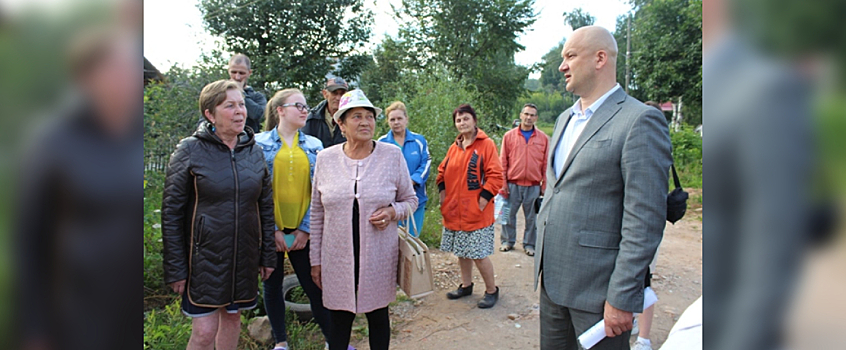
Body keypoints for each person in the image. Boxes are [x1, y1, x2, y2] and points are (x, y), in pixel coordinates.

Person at [533, 26, 672, 350]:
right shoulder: (566, 118)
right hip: (553, 281)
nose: (561, 66)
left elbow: (645, 219)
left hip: (599, 293)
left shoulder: (639, 120)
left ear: (599, 58)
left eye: (569, 56)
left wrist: (623, 296)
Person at [162, 80, 277, 350]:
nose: (240, 111)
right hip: (204, 259)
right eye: (230, 106)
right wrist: (176, 267)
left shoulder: (254, 152)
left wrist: (267, 255)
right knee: (204, 332)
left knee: (233, 321)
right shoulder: (190, 150)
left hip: (243, 257)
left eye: (241, 105)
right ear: (210, 114)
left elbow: (265, 208)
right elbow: (171, 212)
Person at [309, 89, 418, 350]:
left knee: (378, 316)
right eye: (356, 116)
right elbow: (316, 212)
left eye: (369, 116)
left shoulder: (391, 156)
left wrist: (392, 212)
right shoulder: (326, 159)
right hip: (337, 256)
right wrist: (316, 260)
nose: (366, 122)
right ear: (341, 124)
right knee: (339, 321)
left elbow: (410, 200)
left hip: (379, 254)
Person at [256, 89, 342, 350]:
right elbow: (256, 192)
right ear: (280, 110)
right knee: (272, 286)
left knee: (314, 286)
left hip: (305, 232)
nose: (305, 110)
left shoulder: (315, 145)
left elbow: (319, 191)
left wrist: (305, 230)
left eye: (305, 106)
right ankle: (280, 343)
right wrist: (272, 231)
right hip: (271, 232)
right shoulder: (258, 144)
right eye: (298, 106)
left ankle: (332, 342)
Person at [437, 104, 504, 309]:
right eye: (458, 120)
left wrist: (481, 201)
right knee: (462, 252)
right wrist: (443, 197)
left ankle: (492, 290)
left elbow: (496, 176)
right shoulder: (454, 146)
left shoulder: (486, 145)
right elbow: (441, 172)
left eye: (466, 118)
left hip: (476, 212)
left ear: (474, 120)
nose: (462, 123)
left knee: (478, 254)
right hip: (454, 211)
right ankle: (466, 286)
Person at [629, 100, 664, 350]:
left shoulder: (655, 147)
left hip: (645, 227)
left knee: (642, 280)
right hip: (631, 225)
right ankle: (633, 322)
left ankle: (644, 338)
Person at [498, 103, 549, 256]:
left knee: (532, 218)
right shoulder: (509, 136)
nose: (528, 118)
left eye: (532, 115)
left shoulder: (543, 138)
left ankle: (530, 244)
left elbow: (546, 163)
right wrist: (503, 183)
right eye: (526, 114)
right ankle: (507, 241)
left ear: (536, 118)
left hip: (533, 185)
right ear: (520, 115)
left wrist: (544, 185)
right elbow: (503, 161)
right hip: (513, 184)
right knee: (507, 215)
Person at [377, 101, 432, 237]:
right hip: (391, 203)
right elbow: (378, 170)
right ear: (387, 122)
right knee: (393, 241)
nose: (396, 122)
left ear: (406, 119)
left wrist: (412, 181)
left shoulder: (419, 141)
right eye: (392, 119)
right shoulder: (381, 143)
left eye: (399, 118)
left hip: (417, 199)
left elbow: (426, 163)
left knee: (412, 240)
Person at [302, 77, 349, 148]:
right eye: (334, 93)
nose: (338, 98)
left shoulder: (352, 117)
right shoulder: (312, 118)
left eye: (342, 94)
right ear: (325, 94)